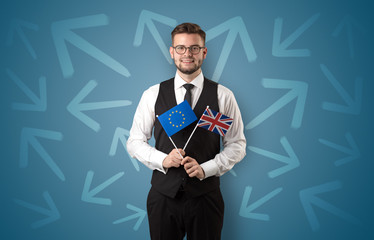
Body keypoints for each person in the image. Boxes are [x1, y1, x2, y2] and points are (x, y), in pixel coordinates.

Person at [127, 22, 246, 240]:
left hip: (206, 197)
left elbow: (237, 144)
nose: (187, 54)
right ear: (172, 52)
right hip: (163, 197)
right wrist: (163, 160)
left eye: (194, 48)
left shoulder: (223, 95)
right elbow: (134, 141)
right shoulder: (152, 94)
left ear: (204, 52)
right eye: (181, 48)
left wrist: (206, 168)